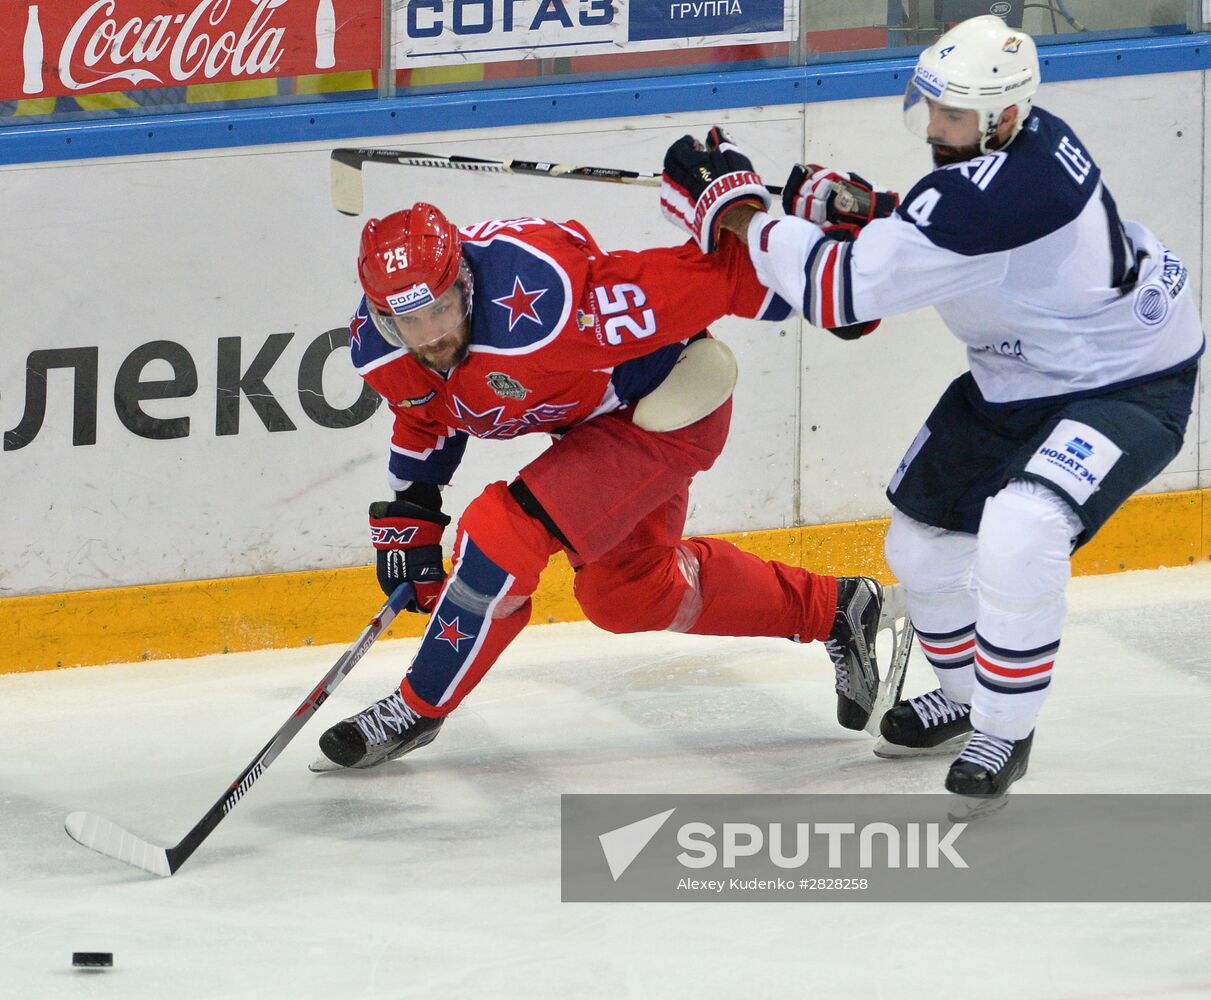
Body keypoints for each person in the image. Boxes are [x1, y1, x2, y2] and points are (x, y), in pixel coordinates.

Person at [662, 14, 1204, 798]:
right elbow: (940, 224)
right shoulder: (1013, 147)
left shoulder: (1006, 190)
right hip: (1018, 375)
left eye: (951, 114)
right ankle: (961, 696)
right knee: (919, 545)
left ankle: (1004, 731)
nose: (933, 125)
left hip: (1127, 381)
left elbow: (838, 290)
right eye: (931, 106)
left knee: (1023, 526)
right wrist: (861, 206)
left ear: (1005, 115)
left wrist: (736, 210)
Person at [316, 202, 906, 769]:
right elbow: (426, 408)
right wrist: (413, 508)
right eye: (406, 322)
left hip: (670, 406)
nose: (427, 336)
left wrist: (845, 279)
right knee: (627, 594)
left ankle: (417, 709)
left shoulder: (550, 298)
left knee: (501, 534)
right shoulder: (382, 345)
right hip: (595, 427)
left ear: (465, 283)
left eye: (440, 310)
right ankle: (837, 608)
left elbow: (716, 275)